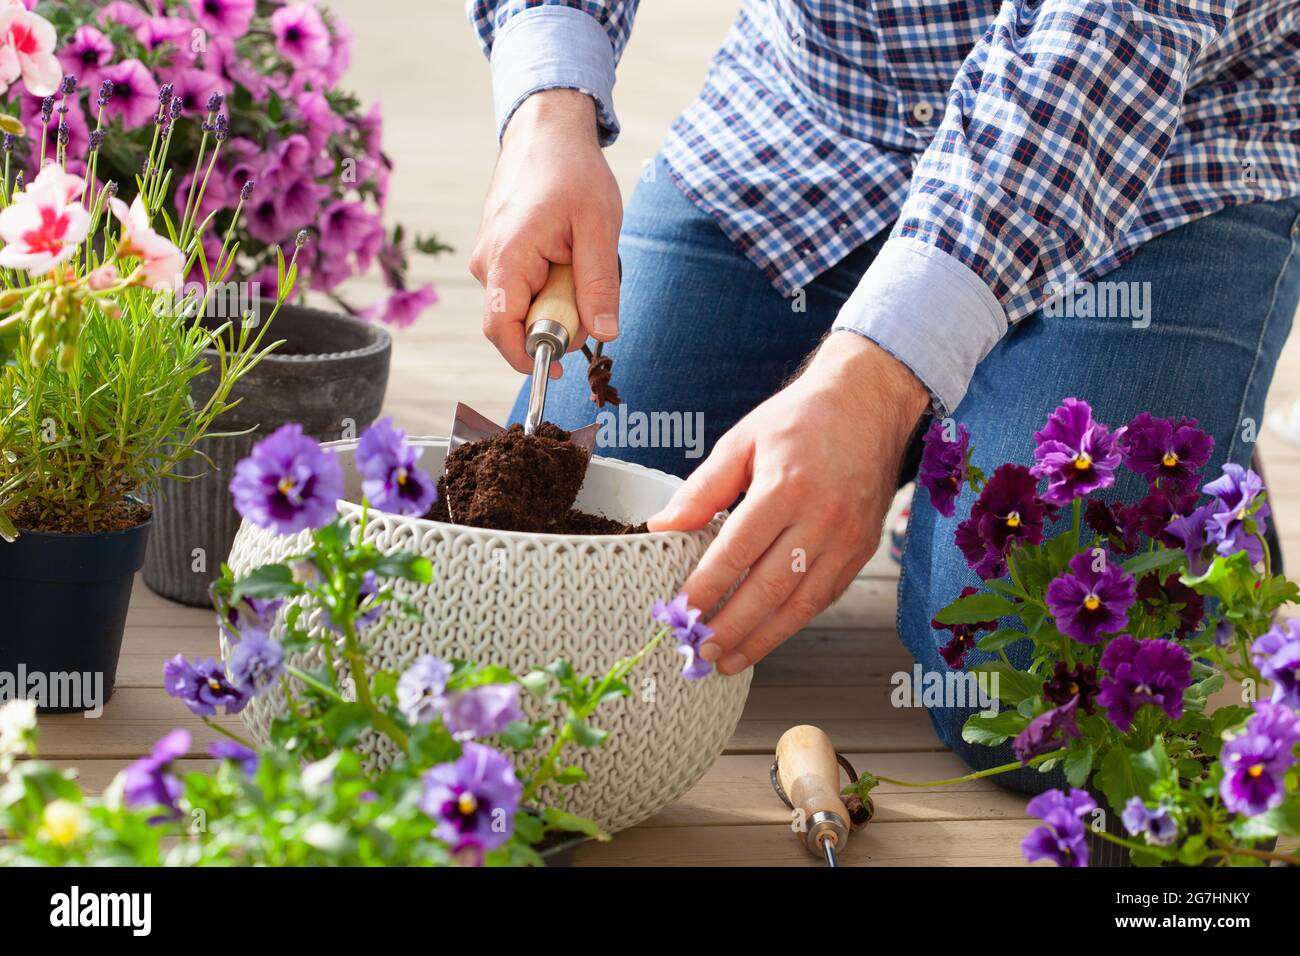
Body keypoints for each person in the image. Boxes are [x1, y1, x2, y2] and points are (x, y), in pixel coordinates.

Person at [466, 0, 1300, 787]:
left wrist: (873, 386)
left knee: (1025, 687)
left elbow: (1106, 38)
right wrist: (548, 113)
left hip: (1150, 150)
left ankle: (1197, 485)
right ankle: (958, 427)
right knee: (569, 576)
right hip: (820, 122)